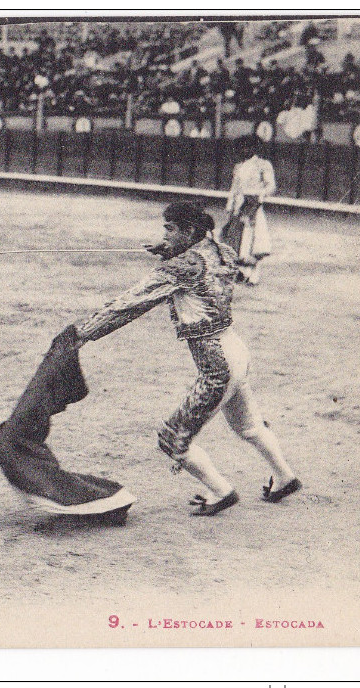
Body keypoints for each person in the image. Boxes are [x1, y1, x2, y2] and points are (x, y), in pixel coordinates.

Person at [72, 201, 301, 516]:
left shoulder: (179, 268)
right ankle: (285, 477)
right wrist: (170, 251)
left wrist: (84, 332)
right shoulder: (224, 252)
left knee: (171, 437)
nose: (164, 234)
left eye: (170, 229)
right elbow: (202, 270)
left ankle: (220, 491)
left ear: (189, 231)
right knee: (248, 427)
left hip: (217, 366)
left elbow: (130, 303)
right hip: (236, 350)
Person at [221, 135, 276, 285]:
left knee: (253, 240)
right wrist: (230, 206)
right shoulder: (239, 166)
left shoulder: (263, 165)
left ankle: (254, 274)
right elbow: (234, 188)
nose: (243, 150)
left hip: (253, 206)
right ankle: (241, 272)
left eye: (246, 147)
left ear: (254, 148)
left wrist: (259, 197)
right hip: (239, 205)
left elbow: (271, 186)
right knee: (237, 238)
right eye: (241, 148)